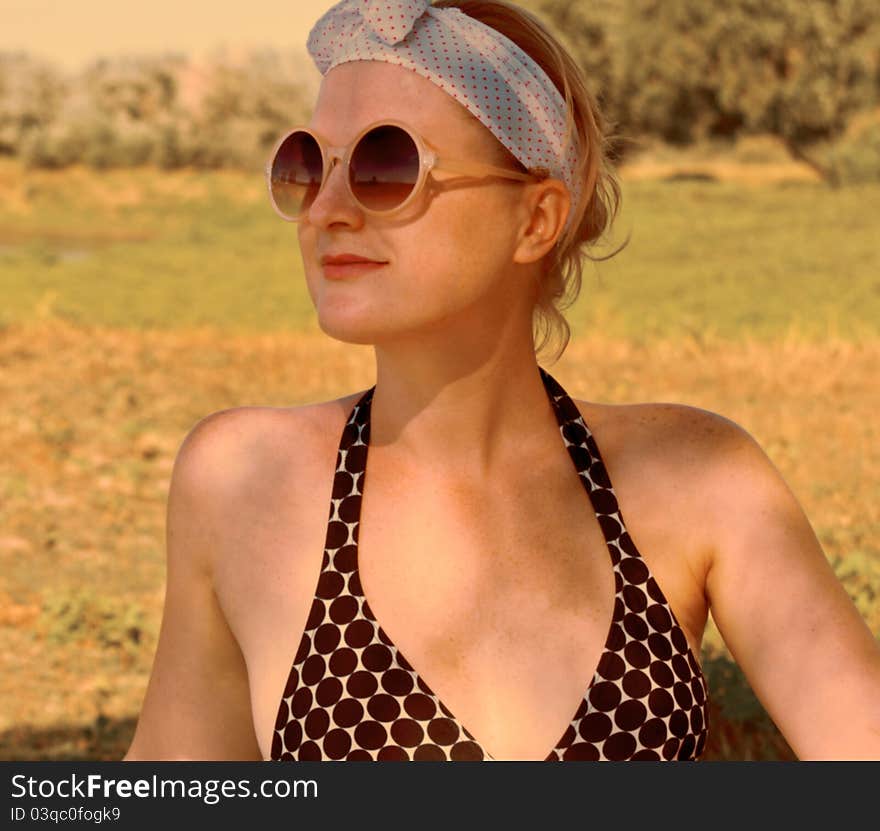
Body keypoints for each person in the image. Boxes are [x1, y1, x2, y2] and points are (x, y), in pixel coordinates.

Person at [124, 0, 880, 762]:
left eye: (386, 165)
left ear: (536, 220)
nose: (328, 208)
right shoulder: (244, 482)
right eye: (306, 165)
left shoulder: (702, 480)